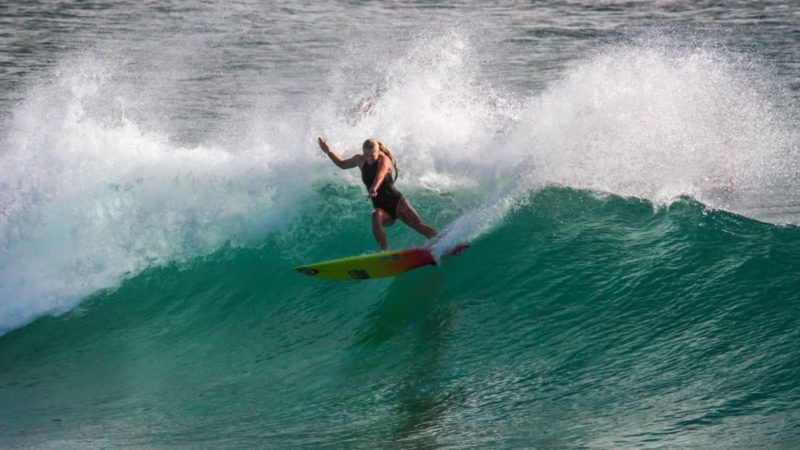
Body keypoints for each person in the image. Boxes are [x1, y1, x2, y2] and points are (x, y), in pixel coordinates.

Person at [317, 137, 437, 251]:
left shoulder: (383, 160)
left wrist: (374, 187)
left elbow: (380, 174)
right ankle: (384, 252)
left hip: (397, 203)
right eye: (366, 155)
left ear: (378, 151)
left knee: (419, 226)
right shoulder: (359, 160)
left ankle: (441, 242)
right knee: (375, 215)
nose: (369, 158)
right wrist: (329, 151)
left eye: (372, 155)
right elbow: (342, 164)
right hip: (382, 209)